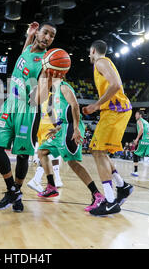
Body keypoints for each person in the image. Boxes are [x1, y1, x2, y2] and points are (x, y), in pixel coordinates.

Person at [0, 21, 56, 212]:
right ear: (37, 33)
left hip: (28, 111)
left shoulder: (46, 62)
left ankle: (16, 194)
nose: (48, 38)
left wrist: (44, 86)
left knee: (22, 155)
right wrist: (29, 33)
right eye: (45, 33)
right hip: (10, 104)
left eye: (52, 36)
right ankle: (13, 190)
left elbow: (42, 96)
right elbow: (27, 45)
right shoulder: (27, 49)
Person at [36, 77, 106, 211]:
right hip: (62, 129)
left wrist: (75, 128)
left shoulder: (64, 87)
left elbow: (75, 106)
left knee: (73, 163)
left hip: (71, 128)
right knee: (41, 151)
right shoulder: (55, 92)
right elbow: (64, 114)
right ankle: (51, 186)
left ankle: (97, 194)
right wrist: (57, 128)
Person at [82, 40, 134, 216]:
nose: (89, 55)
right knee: (98, 151)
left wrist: (96, 105)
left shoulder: (100, 62)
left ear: (93, 50)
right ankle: (122, 186)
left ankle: (111, 201)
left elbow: (116, 85)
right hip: (113, 111)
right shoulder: (103, 63)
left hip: (115, 110)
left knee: (98, 151)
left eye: (90, 52)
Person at [27, 92, 63, 193]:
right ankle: (37, 179)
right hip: (49, 126)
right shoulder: (51, 94)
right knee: (49, 153)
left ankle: (56, 178)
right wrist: (57, 125)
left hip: (39, 126)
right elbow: (50, 110)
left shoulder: (35, 94)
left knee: (47, 153)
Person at [131, 110, 149, 179]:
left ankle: (135, 171)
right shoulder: (146, 122)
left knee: (135, 154)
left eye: (136, 114)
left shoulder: (139, 120)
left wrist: (137, 139)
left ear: (140, 115)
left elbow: (141, 129)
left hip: (143, 140)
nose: (135, 115)